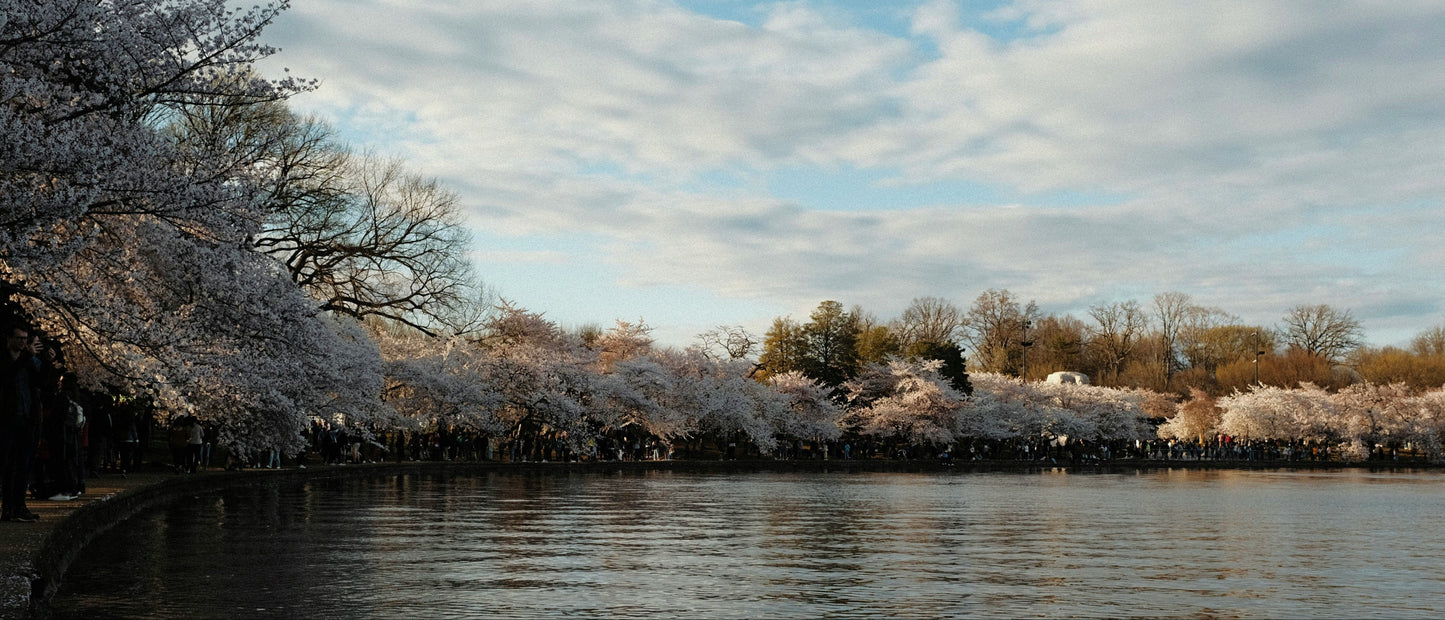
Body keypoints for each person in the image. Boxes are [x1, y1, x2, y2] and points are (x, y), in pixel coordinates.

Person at [1, 324, 42, 522]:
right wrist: (26, 358)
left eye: (25, 339)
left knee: (23, 465)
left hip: (27, 418)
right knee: (7, 465)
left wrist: (48, 364)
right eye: (19, 338)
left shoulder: (28, 362)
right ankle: (8, 507)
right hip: (7, 419)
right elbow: (7, 377)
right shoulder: (5, 359)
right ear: (9, 339)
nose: (22, 342)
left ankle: (19, 506)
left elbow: (40, 383)